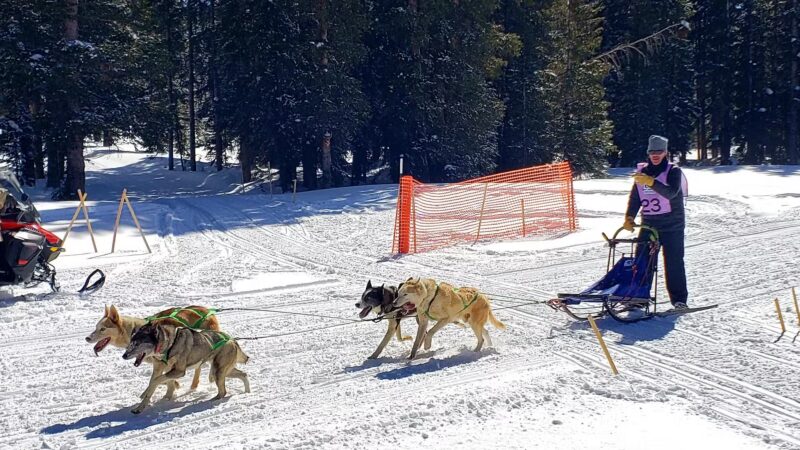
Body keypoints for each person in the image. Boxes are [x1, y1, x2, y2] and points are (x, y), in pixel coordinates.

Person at [622, 135, 688, 310]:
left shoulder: (673, 171)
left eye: (659, 151)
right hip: (649, 224)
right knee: (643, 262)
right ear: (648, 153)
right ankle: (639, 298)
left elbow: (671, 193)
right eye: (652, 152)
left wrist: (651, 182)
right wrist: (629, 216)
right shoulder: (642, 172)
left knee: (673, 263)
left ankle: (679, 300)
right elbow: (636, 197)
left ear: (665, 152)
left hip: (672, 225)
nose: (655, 155)